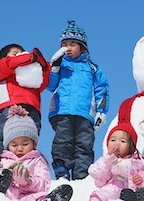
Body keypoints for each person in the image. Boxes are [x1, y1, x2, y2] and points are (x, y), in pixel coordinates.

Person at [47, 20, 110, 180]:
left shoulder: (92, 68)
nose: (68, 48)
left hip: (85, 114)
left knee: (84, 145)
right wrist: (53, 68)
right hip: (63, 111)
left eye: (72, 44)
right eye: (64, 44)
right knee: (63, 141)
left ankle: (82, 176)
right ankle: (62, 171)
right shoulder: (59, 65)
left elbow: (102, 89)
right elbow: (49, 86)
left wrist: (101, 112)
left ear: (82, 47)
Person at [0, 43, 50, 175]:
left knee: (29, 140)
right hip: (9, 106)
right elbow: (7, 64)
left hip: (32, 109)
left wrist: (42, 65)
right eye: (15, 53)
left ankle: (27, 170)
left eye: (21, 52)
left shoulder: (28, 74)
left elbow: (43, 79)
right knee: (1, 137)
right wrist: (27, 58)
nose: (20, 55)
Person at [0, 105, 73, 201]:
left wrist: (27, 181)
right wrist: (4, 173)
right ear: (7, 145)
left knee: (39, 197)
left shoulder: (37, 161)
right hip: (6, 196)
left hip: (28, 199)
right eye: (14, 145)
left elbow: (44, 184)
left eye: (25, 144)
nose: (20, 148)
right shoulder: (3, 159)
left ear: (34, 144)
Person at [87, 122, 144, 201]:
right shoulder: (107, 160)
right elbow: (100, 178)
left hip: (135, 190)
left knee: (140, 193)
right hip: (115, 188)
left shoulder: (140, 161)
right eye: (113, 140)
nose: (117, 144)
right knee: (103, 194)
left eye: (123, 141)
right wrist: (108, 160)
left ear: (131, 146)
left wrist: (143, 179)